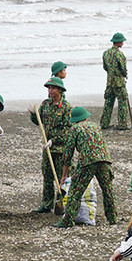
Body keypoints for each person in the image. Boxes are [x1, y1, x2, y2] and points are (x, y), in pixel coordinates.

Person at [53, 107, 117, 227]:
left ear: (74, 120)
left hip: (87, 162)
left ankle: (68, 220)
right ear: (86, 117)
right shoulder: (95, 126)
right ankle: (113, 218)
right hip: (105, 160)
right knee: (108, 191)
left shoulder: (74, 129)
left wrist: (64, 175)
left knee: (75, 192)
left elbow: (68, 154)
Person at [28, 77, 72, 213]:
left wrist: (54, 140)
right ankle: (46, 204)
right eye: (49, 88)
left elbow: (69, 131)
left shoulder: (66, 107)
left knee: (61, 177)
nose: (50, 90)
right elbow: (39, 122)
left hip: (60, 149)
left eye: (53, 88)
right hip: (47, 148)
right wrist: (33, 114)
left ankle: (62, 203)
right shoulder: (45, 104)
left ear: (59, 90)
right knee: (47, 175)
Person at [101, 32, 130, 130]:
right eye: (122, 41)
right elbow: (123, 68)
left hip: (109, 81)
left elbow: (105, 67)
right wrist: (124, 75)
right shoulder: (119, 54)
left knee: (108, 102)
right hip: (119, 82)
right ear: (119, 42)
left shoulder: (106, 53)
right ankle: (122, 124)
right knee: (122, 102)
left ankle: (104, 123)